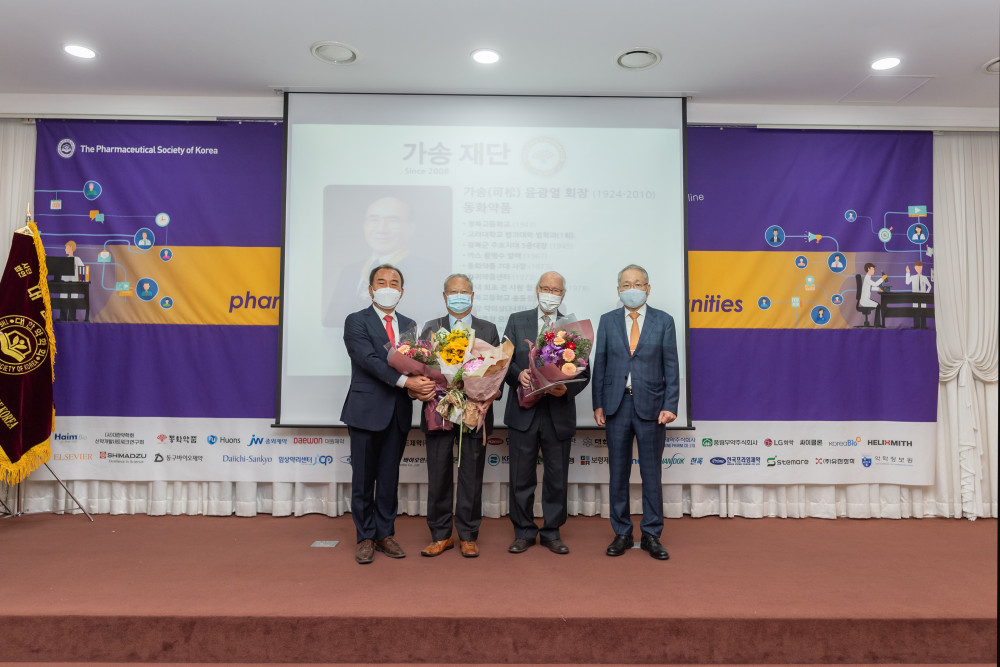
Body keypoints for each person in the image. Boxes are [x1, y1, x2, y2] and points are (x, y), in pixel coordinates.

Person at [341, 264, 436, 564]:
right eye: (381, 282)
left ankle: (385, 534)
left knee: (388, 477)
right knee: (363, 479)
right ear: (371, 290)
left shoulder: (409, 325)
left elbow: (418, 364)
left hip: (397, 411)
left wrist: (421, 387)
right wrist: (408, 382)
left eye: (394, 283)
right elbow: (368, 360)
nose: (387, 287)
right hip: (365, 411)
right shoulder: (356, 321)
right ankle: (365, 537)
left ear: (401, 291)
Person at [592, 264, 679, 560]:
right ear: (619, 290)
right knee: (618, 473)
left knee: (651, 473)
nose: (633, 289)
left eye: (638, 284)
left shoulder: (664, 321)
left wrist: (670, 405)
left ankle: (652, 534)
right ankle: (622, 533)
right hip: (616, 405)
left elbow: (671, 367)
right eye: (627, 284)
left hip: (652, 407)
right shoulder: (607, 321)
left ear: (648, 289)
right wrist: (598, 403)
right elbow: (600, 364)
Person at [502, 271, 590, 555]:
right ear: (537, 290)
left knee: (556, 477)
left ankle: (552, 532)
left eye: (556, 290)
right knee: (521, 476)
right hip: (523, 412)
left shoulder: (571, 327)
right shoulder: (517, 320)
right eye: (545, 288)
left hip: (557, 412)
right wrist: (518, 375)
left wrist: (566, 389)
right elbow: (503, 361)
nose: (550, 294)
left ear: (563, 295)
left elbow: (584, 372)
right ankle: (523, 532)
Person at [418, 274, 501, 559]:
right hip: (438, 409)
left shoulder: (488, 329)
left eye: (464, 292)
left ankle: (468, 535)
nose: (459, 297)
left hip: (474, 410)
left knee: (471, 474)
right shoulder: (431, 327)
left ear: (472, 296)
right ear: (444, 296)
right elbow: (419, 367)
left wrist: (487, 395)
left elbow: (496, 372)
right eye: (453, 292)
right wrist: (425, 387)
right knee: (438, 473)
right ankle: (440, 535)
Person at [324, 196, 437, 327]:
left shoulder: (429, 273)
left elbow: (432, 326)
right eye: (374, 220)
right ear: (364, 225)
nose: (382, 229)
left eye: (393, 220)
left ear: (410, 228)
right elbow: (331, 324)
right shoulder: (349, 271)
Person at [905, 261, 932, 328]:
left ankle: (924, 325)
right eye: (917, 268)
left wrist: (926, 293)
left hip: (923, 296)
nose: (919, 269)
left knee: (923, 309)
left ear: (922, 267)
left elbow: (929, 286)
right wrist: (908, 273)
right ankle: (916, 325)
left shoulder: (924, 277)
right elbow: (907, 282)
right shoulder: (913, 277)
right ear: (915, 268)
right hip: (915, 296)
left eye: (920, 267)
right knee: (915, 309)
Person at [859, 262, 885, 327]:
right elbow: (875, 284)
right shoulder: (867, 278)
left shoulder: (868, 278)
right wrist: (882, 278)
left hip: (865, 300)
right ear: (868, 269)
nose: (874, 271)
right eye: (873, 269)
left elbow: (870, 288)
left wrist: (879, 289)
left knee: (878, 305)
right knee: (878, 305)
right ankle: (877, 324)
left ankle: (877, 323)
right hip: (865, 301)